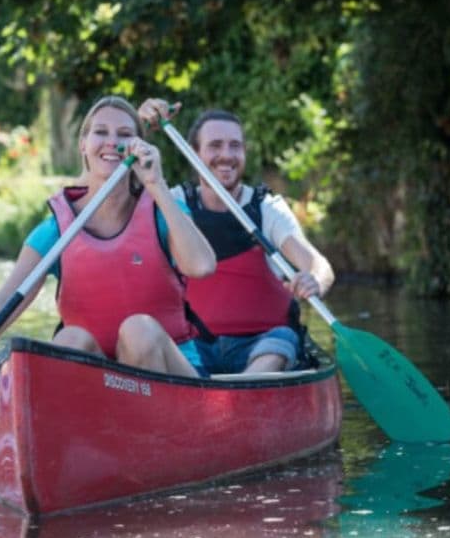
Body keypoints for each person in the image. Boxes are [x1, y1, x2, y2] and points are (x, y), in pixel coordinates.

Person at [0, 96, 216, 378]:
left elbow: (202, 266)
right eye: (101, 132)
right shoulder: (56, 231)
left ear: (139, 146)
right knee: (70, 339)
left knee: (138, 330)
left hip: (174, 376)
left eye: (124, 134)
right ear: (83, 145)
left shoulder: (163, 209)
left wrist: (156, 184)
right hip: (101, 381)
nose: (112, 142)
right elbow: (7, 296)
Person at [138, 98, 335, 375]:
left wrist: (314, 280)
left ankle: (241, 389)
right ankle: (206, 391)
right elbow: (124, 189)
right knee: (148, 338)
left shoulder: (266, 208)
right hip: (193, 349)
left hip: (262, 345)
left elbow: (318, 265)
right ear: (193, 153)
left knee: (283, 340)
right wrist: (141, 127)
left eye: (235, 146)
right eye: (215, 145)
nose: (227, 155)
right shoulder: (173, 202)